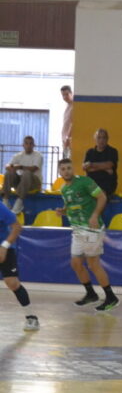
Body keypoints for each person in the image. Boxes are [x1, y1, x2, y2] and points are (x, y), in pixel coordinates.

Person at [56, 158, 120, 312]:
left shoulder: (85, 181)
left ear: (73, 169)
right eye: (63, 169)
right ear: (59, 172)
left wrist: (94, 215)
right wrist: (63, 211)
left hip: (91, 228)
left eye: (69, 168)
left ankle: (111, 297)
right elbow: (71, 206)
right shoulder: (64, 189)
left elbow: (102, 197)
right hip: (77, 230)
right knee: (76, 264)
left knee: (93, 264)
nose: (66, 171)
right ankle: (91, 294)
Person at [0, 201, 39, 331]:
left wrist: (4, 246)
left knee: (12, 282)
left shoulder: (1, 208)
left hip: (5, 247)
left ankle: (31, 317)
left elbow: (17, 227)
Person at [3, 135, 43, 214]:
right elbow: (7, 166)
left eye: (31, 144)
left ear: (34, 145)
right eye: (26, 143)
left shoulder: (38, 155)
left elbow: (34, 168)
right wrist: (11, 167)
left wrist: (19, 166)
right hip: (22, 182)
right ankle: (5, 200)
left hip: (34, 183)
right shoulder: (18, 155)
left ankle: (19, 201)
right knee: (9, 173)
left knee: (27, 173)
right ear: (23, 145)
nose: (28, 146)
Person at [83, 128, 118, 198]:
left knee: (99, 195)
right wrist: (105, 169)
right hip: (91, 183)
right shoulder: (90, 152)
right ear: (95, 139)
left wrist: (91, 165)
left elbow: (109, 165)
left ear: (107, 139)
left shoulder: (112, 151)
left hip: (107, 184)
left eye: (104, 138)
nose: (101, 140)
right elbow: (85, 167)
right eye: (99, 137)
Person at [61, 85, 73, 159]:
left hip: (69, 141)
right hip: (65, 140)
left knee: (68, 163)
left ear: (71, 93)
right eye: (63, 95)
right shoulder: (67, 106)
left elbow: (73, 123)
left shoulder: (74, 105)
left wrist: (68, 138)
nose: (65, 97)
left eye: (67, 94)